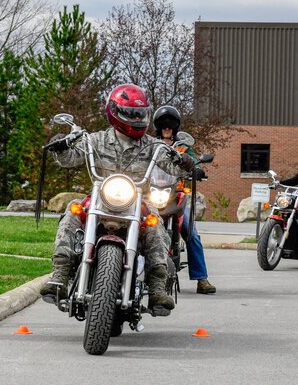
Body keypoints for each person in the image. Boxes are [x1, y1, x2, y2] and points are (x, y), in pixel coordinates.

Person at [40, 84, 195, 316]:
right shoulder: (95, 140)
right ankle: (60, 275)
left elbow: (172, 165)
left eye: (140, 114)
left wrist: (185, 162)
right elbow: (69, 158)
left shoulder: (154, 146)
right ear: (114, 111)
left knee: (155, 225)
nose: (136, 119)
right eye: (131, 114)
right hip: (100, 198)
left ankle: (157, 289)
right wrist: (61, 145)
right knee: (72, 212)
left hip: (137, 202)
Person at [153, 106, 216, 294]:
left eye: (170, 124)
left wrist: (197, 169)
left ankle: (202, 279)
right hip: (152, 194)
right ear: (158, 127)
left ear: (175, 127)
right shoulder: (151, 145)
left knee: (190, 232)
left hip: (177, 194)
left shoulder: (183, 146)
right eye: (163, 124)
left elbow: (193, 160)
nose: (167, 127)